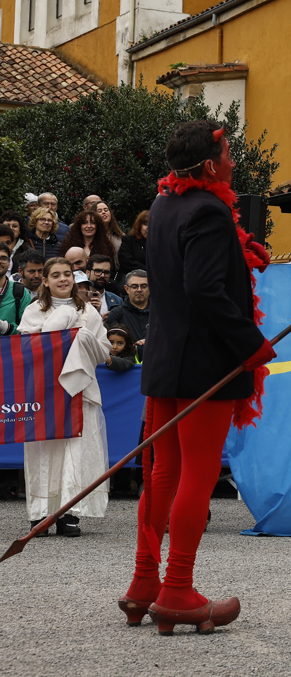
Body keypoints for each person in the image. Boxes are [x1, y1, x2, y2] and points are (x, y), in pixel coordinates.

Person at [121, 119, 275, 635]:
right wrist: (252, 346)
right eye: (228, 153)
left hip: (167, 358)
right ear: (209, 165)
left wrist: (238, 251)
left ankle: (145, 583)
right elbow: (206, 290)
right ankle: (179, 590)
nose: (232, 160)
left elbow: (186, 272)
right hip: (203, 361)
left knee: (164, 472)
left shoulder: (165, 203)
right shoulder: (208, 209)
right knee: (198, 474)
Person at [19, 259, 112, 537]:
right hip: (44, 391)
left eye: (68, 274)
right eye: (56, 275)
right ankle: (40, 514)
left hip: (80, 391)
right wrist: (56, 329)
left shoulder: (88, 312)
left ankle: (70, 512)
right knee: (42, 452)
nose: (63, 279)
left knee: (76, 452)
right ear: (45, 281)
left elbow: (104, 348)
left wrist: (82, 337)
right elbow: (25, 347)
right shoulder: (34, 310)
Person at [108, 271, 150, 356]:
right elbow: (113, 344)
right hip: (127, 364)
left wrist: (150, 342)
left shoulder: (160, 314)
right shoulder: (116, 313)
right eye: (134, 286)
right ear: (126, 289)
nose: (139, 290)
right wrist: (135, 347)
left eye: (144, 286)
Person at [0, 243, 32, 335]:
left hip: (10, 348)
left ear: (9, 262)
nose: (0, 261)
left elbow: (28, 331)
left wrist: (5, 328)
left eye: (4, 258)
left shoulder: (20, 292)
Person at [120, 210, 150, 277]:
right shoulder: (129, 240)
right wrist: (148, 270)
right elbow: (125, 261)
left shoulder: (161, 242)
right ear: (139, 226)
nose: (149, 227)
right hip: (133, 277)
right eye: (146, 224)